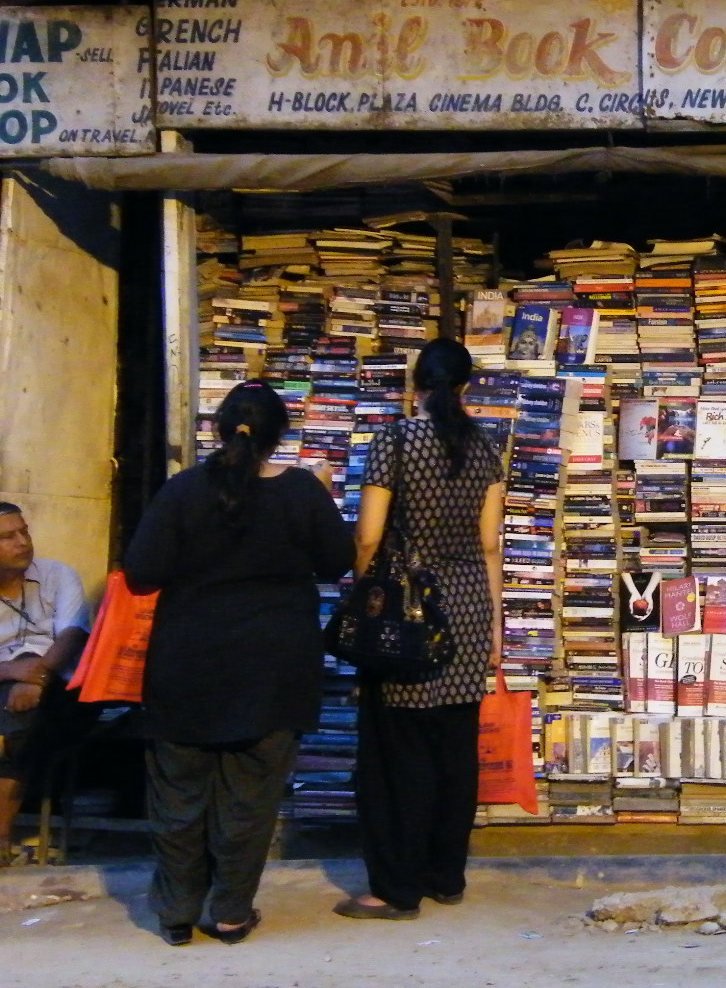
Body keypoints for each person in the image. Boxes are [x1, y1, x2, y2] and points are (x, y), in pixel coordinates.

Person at [124, 382, 352, 946]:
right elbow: (336, 563)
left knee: (178, 795)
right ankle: (229, 912)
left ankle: (177, 912)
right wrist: (323, 495)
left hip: (188, 664)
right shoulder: (302, 491)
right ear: (281, 435)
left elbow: (141, 571)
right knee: (250, 798)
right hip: (273, 668)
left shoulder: (181, 491)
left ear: (221, 430)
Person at [335, 338, 505, 922]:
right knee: (454, 749)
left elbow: (367, 536)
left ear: (417, 385)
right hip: (464, 609)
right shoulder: (483, 447)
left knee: (395, 753)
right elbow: (489, 545)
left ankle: (396, 888)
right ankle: (445, 876)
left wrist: (364, 597)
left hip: (406, 613)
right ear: (466, 386)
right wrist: (497, 628)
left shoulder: (396, 441)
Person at [0, 503, 91, 861]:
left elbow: (72, 635)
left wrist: (37, 677)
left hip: (58, 687)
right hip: (7, 681)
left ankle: (1, 836)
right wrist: (12, 672)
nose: (23, 543)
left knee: (17, 723)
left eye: (25, 532)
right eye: (8, 537)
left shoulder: (57, 575)